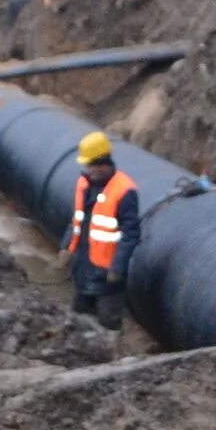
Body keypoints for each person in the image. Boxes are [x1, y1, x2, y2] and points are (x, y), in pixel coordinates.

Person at [61, 132, 140, 329]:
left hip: (107, 273)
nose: (87, 170)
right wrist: (66, 247)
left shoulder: (124, 190)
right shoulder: (85, 183)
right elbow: (78, 220)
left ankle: (112, 356)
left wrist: (117, 267)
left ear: (102, 163)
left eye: (90, 166)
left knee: (108, 322)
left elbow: (131, 234)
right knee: (78, 317)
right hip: (83, 266)